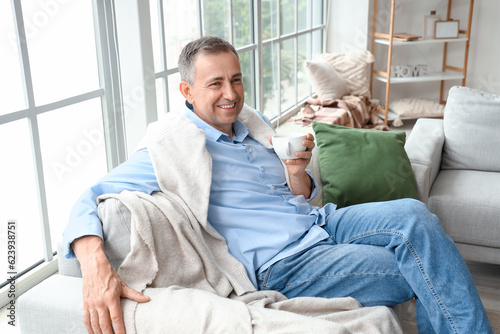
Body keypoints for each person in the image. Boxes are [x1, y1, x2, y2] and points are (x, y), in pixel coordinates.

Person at [64, 36, 493, 334]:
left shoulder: (252, 127)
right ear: (187, 91)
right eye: (215, 83)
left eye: (235, 79)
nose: (230, 93)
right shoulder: (170, 148)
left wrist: (296, 174)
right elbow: (88, 197)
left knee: (417, 216)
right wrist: (94, 264)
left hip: (322, 223)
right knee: (420, 266)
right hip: (284, 263)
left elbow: (299, 195)